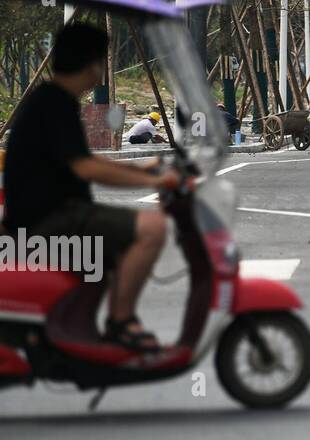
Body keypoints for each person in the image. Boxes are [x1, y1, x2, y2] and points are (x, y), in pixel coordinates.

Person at [2, 23, 185, 352]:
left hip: (45, 216)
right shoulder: (54, 104)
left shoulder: (52, 99)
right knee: (152, 227)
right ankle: (121, 323)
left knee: (111, 251)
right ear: (91, 64)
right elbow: (86, 168)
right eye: (102, 60)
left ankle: (84, 333)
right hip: (46, 222)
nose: (102, 69)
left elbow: (83, 160)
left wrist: (141, 169)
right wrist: (156, 180)